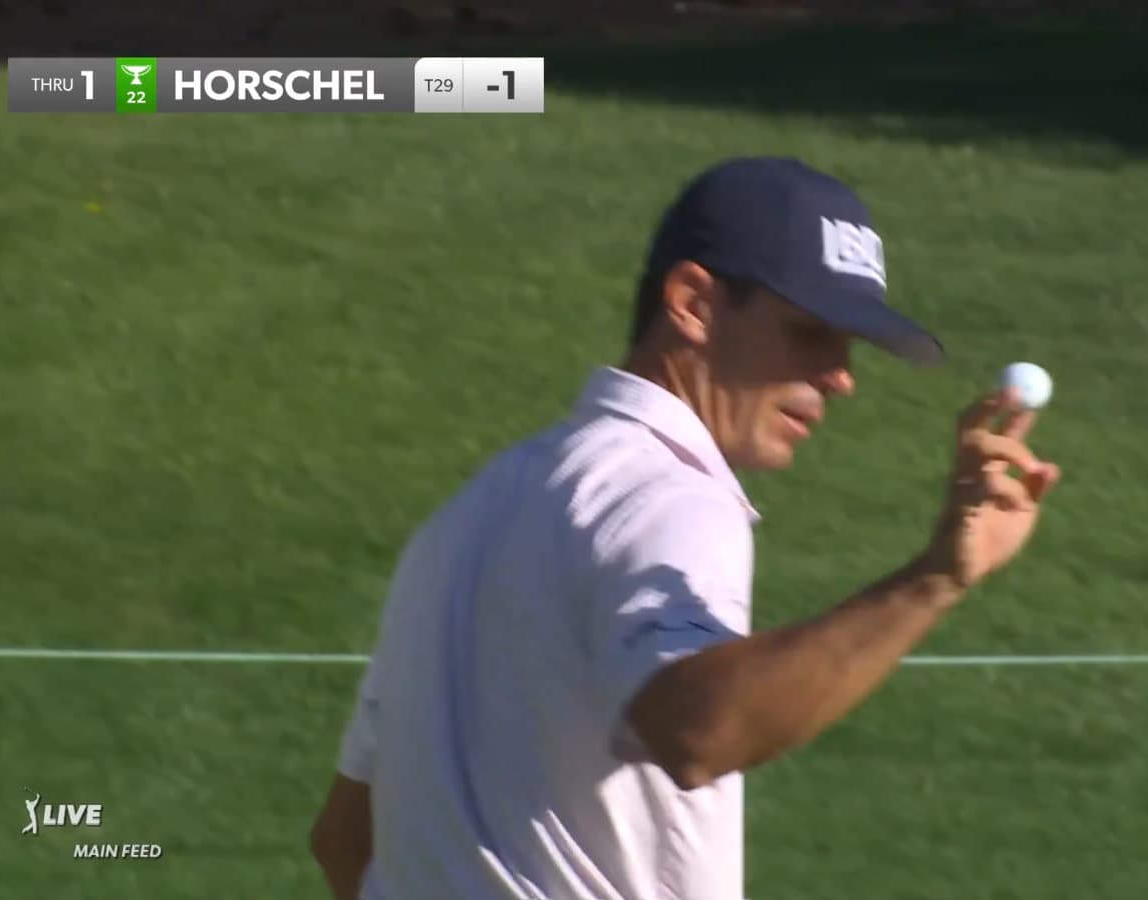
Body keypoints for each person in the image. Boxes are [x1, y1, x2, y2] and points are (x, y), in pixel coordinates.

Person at [308, 156, 1062, 900]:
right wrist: (934, 577)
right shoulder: (670, 497)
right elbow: (696, 730)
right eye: (810, 331)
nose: (841, 374)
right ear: (694, 303)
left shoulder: (466, 515)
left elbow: (345, 839)